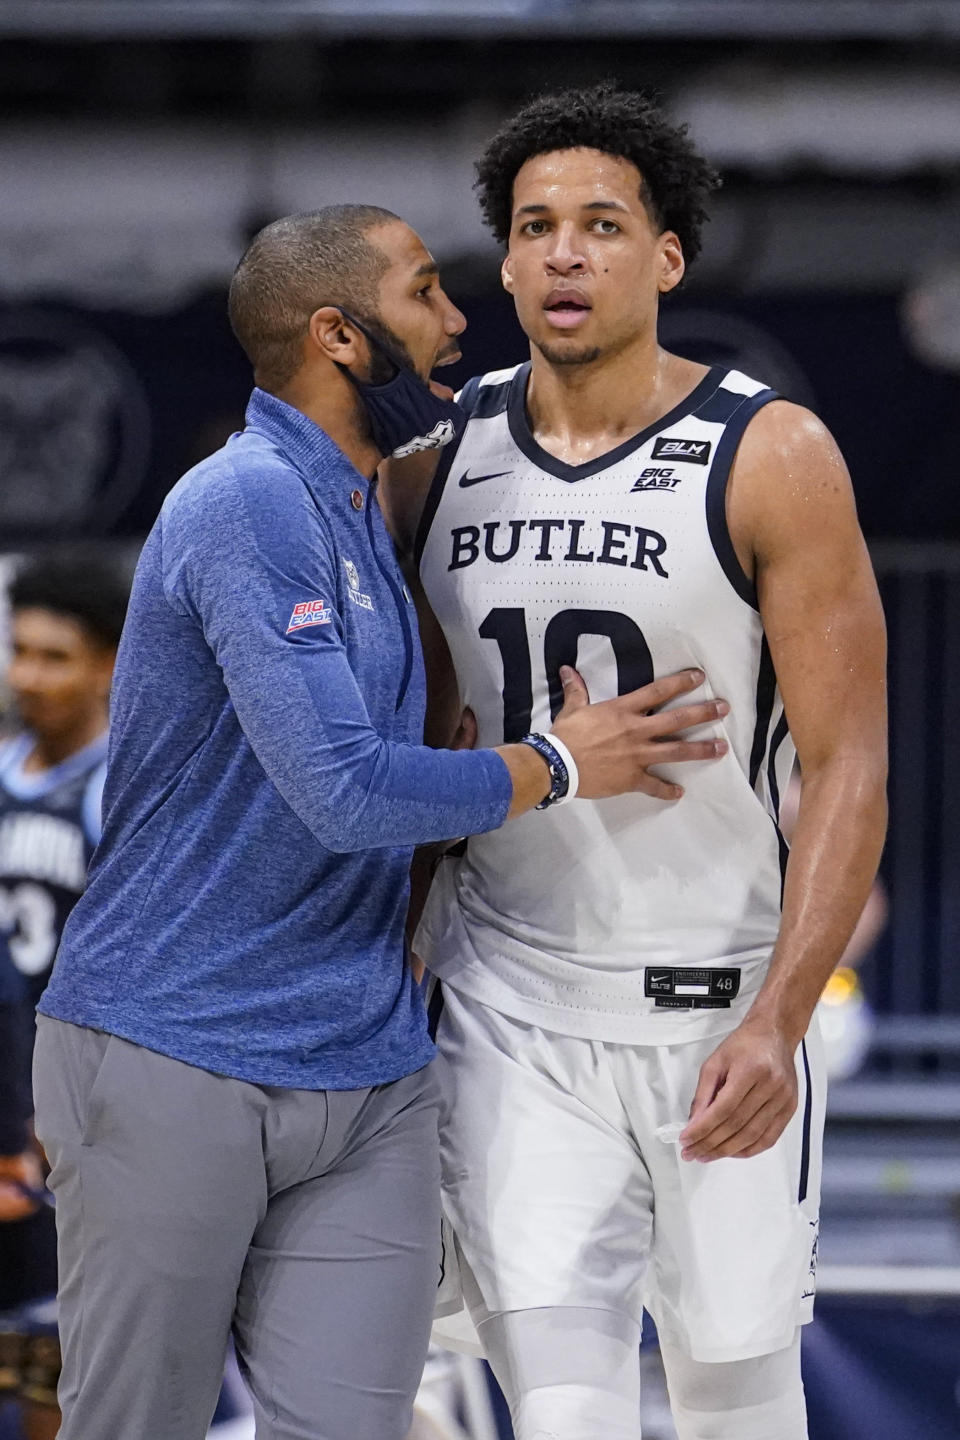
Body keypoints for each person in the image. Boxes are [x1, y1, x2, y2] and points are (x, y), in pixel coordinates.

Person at [32, 204, 729, 1440]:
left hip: (367, 1071)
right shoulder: (246, 501)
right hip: (177, 1047)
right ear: (340, 335)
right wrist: (561, 762)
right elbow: (345, 790)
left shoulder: (366, 508)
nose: (461, 321)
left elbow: (386, 786)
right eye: (426, 295)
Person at [383, 85, 888, 1440]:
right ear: (503, 261)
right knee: (562, 1412)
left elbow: (848, 765)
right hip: (513, 1000)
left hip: (721, 999)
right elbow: (409, 730)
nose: (564, 253)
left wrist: (782, 1015)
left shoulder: (770, 454)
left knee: (739, 1400)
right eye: (536, 226)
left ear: (665, 257)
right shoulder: (435, 457)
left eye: (601, 225)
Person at [0, 549, 128, 1440]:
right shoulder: (3, 768)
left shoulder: (118, 788)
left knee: (55, 1366)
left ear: (110, 664)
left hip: (76, 1107)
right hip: (7, 1097)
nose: (26, 676)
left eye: (55, 657)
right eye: (18, 651)